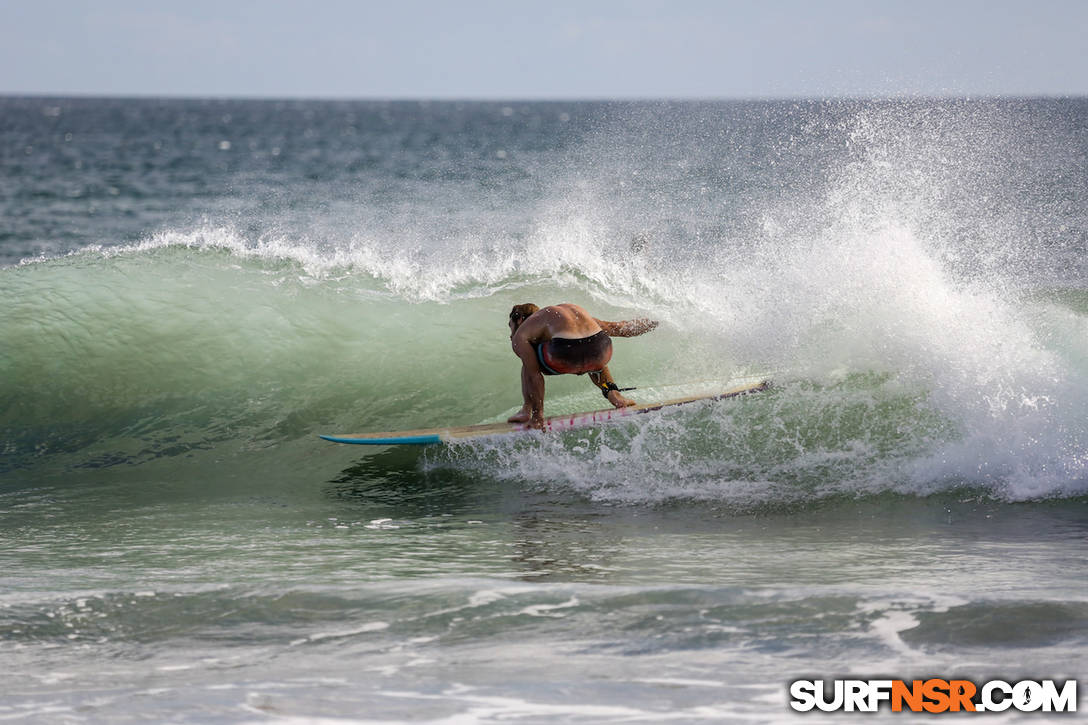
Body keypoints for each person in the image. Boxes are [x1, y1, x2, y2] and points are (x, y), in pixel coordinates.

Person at [507, 302, 658, 429]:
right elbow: (619, 329)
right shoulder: (564, 314)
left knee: (528, 363)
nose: (510, 334)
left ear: (519, 319)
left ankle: (527, 410)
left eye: (510, 326)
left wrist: (538, 416)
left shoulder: (522, 333)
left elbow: (535, 376)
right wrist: (655, 322)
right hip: (601, 349)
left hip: (564, 354)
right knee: (592, 353)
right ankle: (615, 395)